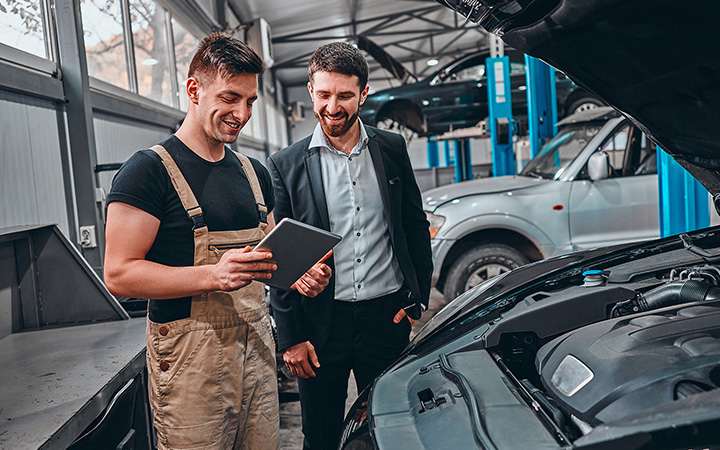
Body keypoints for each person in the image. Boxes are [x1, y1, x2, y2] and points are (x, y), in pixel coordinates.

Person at [103, 32, 330, 450]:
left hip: (258, 352)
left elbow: (268, 251)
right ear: (194, 89)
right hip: (191, 362)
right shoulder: (147, 172)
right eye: (229, 98)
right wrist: (212, 275)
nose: (241, 113)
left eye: (249, 101)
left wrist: (298, 273)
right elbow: (119, 274)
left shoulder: (253, 172)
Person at [267, 42, 433, 450]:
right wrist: (289, 337)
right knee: (320, 435)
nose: (333, 106)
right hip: (321, 325)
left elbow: (414, 225)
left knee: (392, 426)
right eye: (324, 95)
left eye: (344, 95)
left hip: (385, 317)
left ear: (363, 93)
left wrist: (416, 299)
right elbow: (278, 259)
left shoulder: (391, 149)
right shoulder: (285, 165)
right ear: (311, 91)